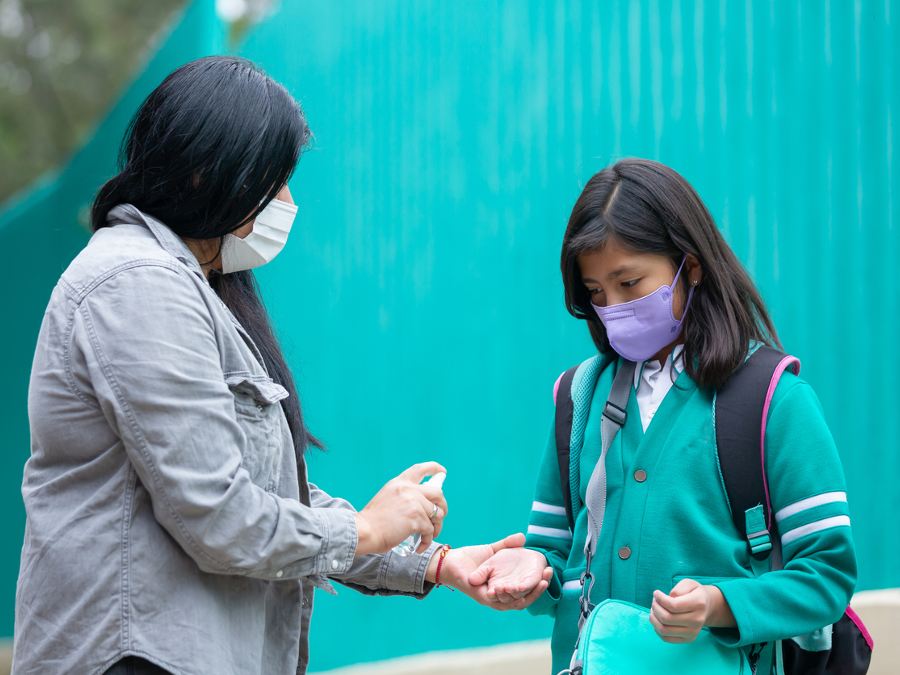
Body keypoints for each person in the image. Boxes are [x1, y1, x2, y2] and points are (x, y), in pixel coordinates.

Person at [12, 56, 550, 675]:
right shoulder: (139, 283)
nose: (288, 203)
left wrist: (435, 562)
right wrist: (367, 530)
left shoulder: (190, 287)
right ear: (206, 171)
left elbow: (258, 492)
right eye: (275, 180)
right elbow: (220, 514)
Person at [469, 158, 857, 674]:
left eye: (630, 283)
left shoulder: (772, 399)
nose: (612, 307)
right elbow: (555, 553)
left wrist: (719, 606)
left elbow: (826, 574)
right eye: (596, 293)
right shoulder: (576, 396)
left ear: (690, 266)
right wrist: (531, 573)